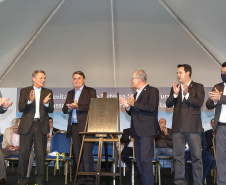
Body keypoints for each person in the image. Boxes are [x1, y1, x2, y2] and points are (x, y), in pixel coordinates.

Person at [166, 64, 205, 185]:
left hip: (193, 127)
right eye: (177, 73)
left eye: (180, 72)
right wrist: (176, 94)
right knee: (178, 157)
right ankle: (179, 182)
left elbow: (199, 103)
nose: (178, 75)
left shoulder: (198, 86)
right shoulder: (175, 88)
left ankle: (198, 183)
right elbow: (168, 104)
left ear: (188, 73)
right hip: (177, 127)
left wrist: (187, 94)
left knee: (197, 158)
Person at [120, 69, 159, 185]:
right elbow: (133, 112)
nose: (131, 81)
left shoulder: (152, 91)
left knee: (146, 160)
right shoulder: (136, 94)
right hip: (136, 132)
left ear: (139, 79)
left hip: (146, 131)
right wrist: (127, 107)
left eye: (133, 78)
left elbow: (151, 107)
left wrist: (133, 104)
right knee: (140, 161)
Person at [18, 70, 54, 185]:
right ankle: (22, 180)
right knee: (23, 154)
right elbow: (21, 108)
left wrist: (46, 103)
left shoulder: (48, 92)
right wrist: (30, 101)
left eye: (44, 78)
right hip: (27, 126)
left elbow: (51, 110)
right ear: (34, 78)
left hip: (41, 125)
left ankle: (39, 181)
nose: (43, 80)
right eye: (41, 78)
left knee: (40, 155)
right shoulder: (25, 91)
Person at [62, 71, 96, 185]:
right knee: (78, 155)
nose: (76, 80)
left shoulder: (91, 91)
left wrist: (77, 106)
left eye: (79, 78)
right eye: (74, 78)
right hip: (75, 127)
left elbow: (93, 106)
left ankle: (89, 180)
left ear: (84, 80)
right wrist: (69, 108)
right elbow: (64, 109)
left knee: (87, 155)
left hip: (87, 127)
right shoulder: (70, 93)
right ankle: (81, 180)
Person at [206, 61, 226, 185]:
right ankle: (222, 182)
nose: (223, 74)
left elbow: (221, 99)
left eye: (225, 72)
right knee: (221, 158)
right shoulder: (218, 86)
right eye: (222, 72)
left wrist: (220, 98)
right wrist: (214, 100)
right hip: (220, 128)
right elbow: (208, 104)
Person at [0, 118, 20, 184]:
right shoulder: (7, 130)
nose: (14, 130)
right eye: (13, 128)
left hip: (20, 151)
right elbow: (3, 143)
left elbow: (27, 145)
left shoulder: (24, 131)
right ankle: (1, 177)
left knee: (27, 153)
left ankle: (22, 178)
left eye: (16, 128)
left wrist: (18, 148)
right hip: (9, 150)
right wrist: (7, 147)